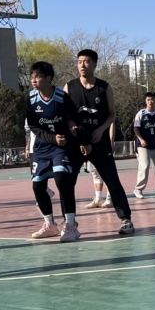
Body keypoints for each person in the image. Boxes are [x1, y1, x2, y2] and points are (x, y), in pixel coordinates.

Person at [64, 49, 135, 235]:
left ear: (94, 64)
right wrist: (71, 125)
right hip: (76, 144)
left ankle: (126, 220)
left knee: (113, 181)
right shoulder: (69, 87)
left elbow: (112, 114)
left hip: (99, 143)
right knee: (67, 183)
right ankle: (69, 223)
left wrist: (101, 129)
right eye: (79, 61)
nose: (82, 65)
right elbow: (64, 114)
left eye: (86, 61)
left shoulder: (104, 87)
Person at [26, 61, 84, 242]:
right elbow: (33, 126)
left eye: (38, 77)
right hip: (42, 148)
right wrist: (51, 138)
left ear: (48, 78)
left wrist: (72, 124)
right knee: (38, 186)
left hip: (61, 147)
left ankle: (71, 225)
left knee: (62, 180)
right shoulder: (30, 98)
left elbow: (73, 116)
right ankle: (49, 224)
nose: (34, 80)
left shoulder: (61, 96)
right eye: (32, 77)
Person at [133, 92, 155, 198]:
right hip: (143, 145)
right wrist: (141, 139)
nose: (150, 101)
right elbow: (135, 128)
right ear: (145, 101)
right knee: (145, 165)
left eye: (152, 99)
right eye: (148, 100)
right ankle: (138, 189)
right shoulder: (141, 113)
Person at [84, 121, 115, 209]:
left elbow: (112, 123)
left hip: (104, 144)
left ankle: (110, 198)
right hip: (91, 144)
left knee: (107, 173)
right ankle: (98, 198)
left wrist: (111, 141)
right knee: (95, 172)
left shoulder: (105, 113)